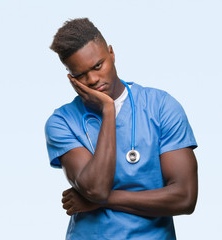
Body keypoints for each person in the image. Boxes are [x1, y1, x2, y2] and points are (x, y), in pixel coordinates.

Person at [44, 18, 198, 239]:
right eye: (81, 75)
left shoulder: (161, 107)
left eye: (98, 66)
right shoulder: (62, 122)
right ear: (71, 78)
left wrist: (99, 202)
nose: (93, 79)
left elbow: (184, 198)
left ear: (111, 54)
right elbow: (95, 189)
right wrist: (108, 110)